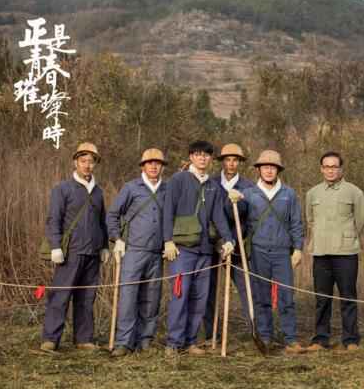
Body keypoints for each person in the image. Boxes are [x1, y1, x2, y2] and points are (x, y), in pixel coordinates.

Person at [228, 150, 305, 354]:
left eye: (273, 167)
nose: (269, 170)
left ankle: (290, 339)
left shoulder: (289, 194)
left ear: (278, 170)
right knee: (261, 297)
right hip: (258, 251)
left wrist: (298, 249)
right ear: (259, 169)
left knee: (286, 297)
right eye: (265, 167)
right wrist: (233, 201)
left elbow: (296, 223)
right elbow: (235, 219)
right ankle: (265, 337)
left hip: (282, 253)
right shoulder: (249, 193)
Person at [162, 140, 234, 356]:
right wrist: (168, 240)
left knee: (199, 297)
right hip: (182, 250)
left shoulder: (213, 185)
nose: (203, 158)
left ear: (211, 159)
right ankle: (173, 343)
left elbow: (219, 216)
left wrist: (228, 239)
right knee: (180, 295)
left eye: (207, 155)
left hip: (205, 250)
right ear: (191, 157)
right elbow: (167, 210)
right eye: (198, 154)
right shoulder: (178, 180)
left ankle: (190, 341)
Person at [40, 142, 110, 352]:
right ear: (76, 162)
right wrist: (55, 247)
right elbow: (54, 220)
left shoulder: (98, 192)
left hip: (92, 253)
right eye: (83, 161)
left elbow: (102, 221)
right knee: (60, 296)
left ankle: (84, 339)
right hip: (69, 253)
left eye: (91, 161)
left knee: (86, 298)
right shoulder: (62, 189)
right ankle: (51, 339)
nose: (87, 165)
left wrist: (105, 246)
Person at [106, 148, 168, 356]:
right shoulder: (131, 188)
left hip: (156, 253)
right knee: (128, 297)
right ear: (143, 166)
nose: (153, 166)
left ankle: (145, 340)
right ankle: (124, 342)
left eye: (157, 163)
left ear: (161, 166)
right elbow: (113, 215)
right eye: (149, 163)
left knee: (152, 298)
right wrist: (117, 239)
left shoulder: (167, 189)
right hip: (133, 251)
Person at [305, 151, 364, 351]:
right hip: (321, 252)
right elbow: (310, 220)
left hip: (346, 252)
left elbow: (360, 220)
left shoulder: (354, 192)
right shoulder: (312, 193)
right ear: (321, 169)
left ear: (341, 169)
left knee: (348, 297)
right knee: (322, 298)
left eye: (334, 167)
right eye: (326, 166)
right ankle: (320, 339)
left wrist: (346, 237)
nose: (330, 170)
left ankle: (350, 340)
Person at [203, 143, 255, 343]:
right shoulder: (211, 183)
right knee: (209, 289)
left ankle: (255, 332)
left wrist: (242, 239)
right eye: (227, 159)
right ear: (222, 162)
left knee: (246, 287)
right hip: (214, 245)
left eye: (235, 160)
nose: (231, 164)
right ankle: (210, 334)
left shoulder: (249, 187)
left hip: (239, 246)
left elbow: (252, 218)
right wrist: (216, 239)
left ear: (239, 163)